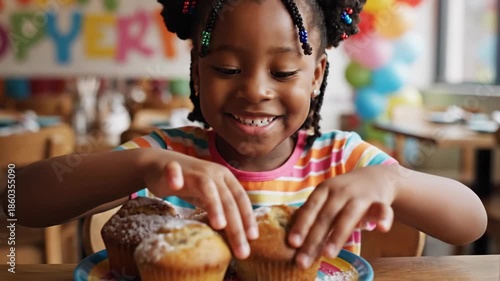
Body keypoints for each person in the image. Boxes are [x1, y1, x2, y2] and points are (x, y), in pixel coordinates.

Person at [6, 0, 486, 270]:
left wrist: (392, 182)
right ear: (196, 69)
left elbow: (471, 222)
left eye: (283, 72)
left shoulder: (342, 159)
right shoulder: (169, 157)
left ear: (317, 76)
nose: (255, 90)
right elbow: (17, 200)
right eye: (228, 68)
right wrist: (141, 165)